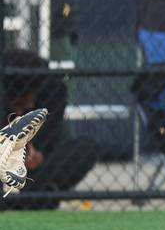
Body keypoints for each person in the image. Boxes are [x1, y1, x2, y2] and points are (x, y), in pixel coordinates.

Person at [0, 49, 99, 209]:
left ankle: (28, 198)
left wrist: (38, 153)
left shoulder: (53, 91)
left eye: (23, 104)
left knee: (87, 146)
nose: (19, 111)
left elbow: (50, 135)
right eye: (15, 105)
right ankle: (32, 200)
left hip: (34, 167)